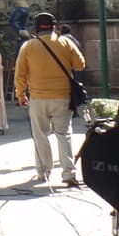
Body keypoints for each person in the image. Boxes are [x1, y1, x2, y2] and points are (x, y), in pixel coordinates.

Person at [14, 12, 86, 186]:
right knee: (64, 135)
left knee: (41, 136)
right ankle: (68, 173)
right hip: (62, 97)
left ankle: (44, 172)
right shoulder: (65, 42)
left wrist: (21, 94)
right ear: (54, 26)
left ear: (36, 27)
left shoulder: (28, 46)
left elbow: (20, 74)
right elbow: (80, 64)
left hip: (38, 98)